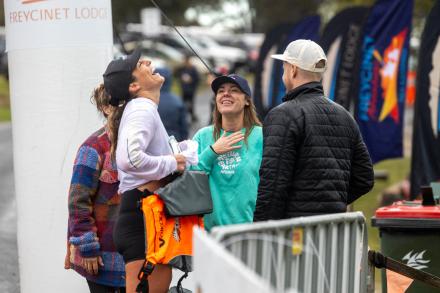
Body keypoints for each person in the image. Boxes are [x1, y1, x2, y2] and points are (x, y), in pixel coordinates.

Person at [253, 39, 374, 222]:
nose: (284, 73)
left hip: (293, 235)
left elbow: (272, 187)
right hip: (331, 233)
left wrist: (259, 233)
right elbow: (364, 178)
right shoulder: (345, 116)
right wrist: (330, 203)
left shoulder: (283, 115)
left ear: (292, 69)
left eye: (284, 66)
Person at [103, 49, 187, 293]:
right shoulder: (141, 108)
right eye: (140, 64)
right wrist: (173, 162)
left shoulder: (141, 108)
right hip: (143, 216)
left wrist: (183, 154)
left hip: (145, 213)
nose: (149, 62)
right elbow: (129, 159)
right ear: (133, 85)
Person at [65, 84, 125, 292]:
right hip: (102, 258)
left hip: (136, 257)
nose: (126, 108)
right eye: (119, 102)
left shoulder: (140, 142)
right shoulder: (93, 148)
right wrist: (88, 247)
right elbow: (77, 202)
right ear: (106, 108)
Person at [192, 74, 263, 231]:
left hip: (251, 232)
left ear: (247, 100)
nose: (225, 94)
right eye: (220, 91)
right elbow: (190, 182)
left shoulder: (261, 136)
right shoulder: (202, 136)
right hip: (211, 236)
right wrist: (212, 152)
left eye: (234, 90)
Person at [156, 67, 189, 141]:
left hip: (153, 144)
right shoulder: (177, 101)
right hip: (174, 142)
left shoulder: (147, 101)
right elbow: (184, 127)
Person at [175, 55, 200, 122]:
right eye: (185, 61)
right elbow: (175, 74)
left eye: (187, 61)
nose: (186, 62)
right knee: (182, 104)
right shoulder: (182, 69)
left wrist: (191, 80)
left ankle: (192, 116)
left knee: (191, 104)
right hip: (184, 89)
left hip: (191, 89)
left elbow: (197, 79)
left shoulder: (193, 69)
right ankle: (183, 117)